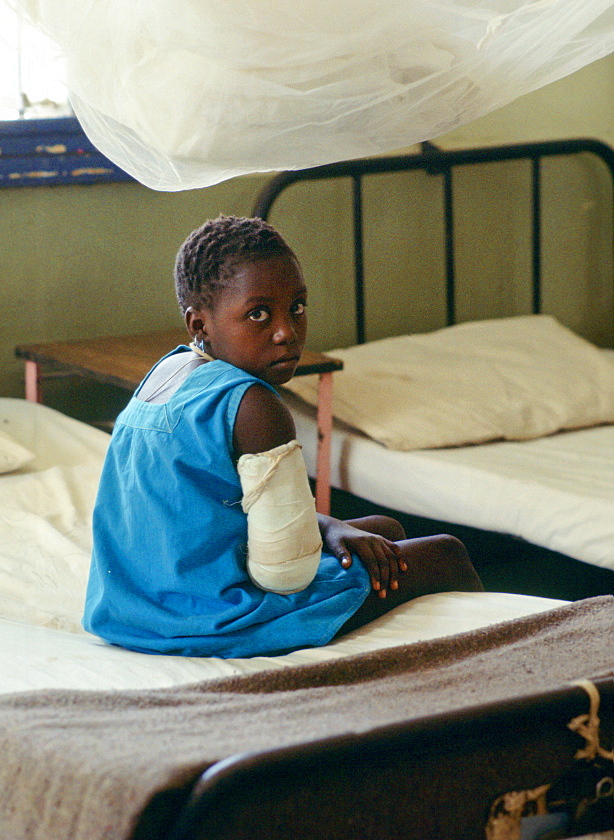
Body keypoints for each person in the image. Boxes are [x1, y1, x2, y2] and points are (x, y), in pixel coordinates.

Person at [83, 215, 482, 657]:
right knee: (446, 554)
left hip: (134, 609)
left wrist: (330, 526)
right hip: (213, 618)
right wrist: (322, 535)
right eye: (258, 314)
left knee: (383, 533)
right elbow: (284, 574)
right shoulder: (255, 406)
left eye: (297, 307)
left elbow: (200, 513)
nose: (286, 333)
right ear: (200, 325)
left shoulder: (168, 372)